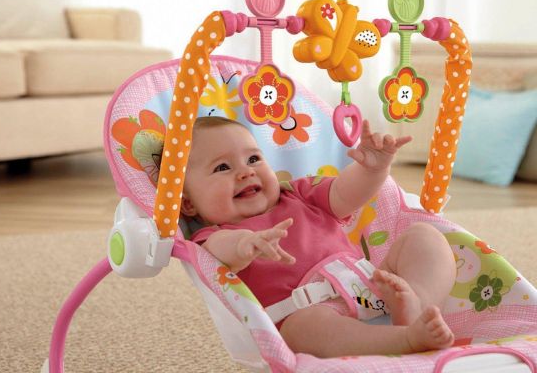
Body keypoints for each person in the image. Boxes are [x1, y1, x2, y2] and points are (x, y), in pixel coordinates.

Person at [181, 116, 456, 358]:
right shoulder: (212, 237)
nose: (246, 172)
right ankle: (406, 339)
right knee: (300, 330)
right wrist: (246, 244)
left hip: (374, 286)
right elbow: (220, 252)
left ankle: (417, 305)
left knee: (423, 236)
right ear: (189, 204)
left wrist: (373, 169)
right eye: (222, 168)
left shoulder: (299, 193)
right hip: (310, 314)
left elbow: (344, 194)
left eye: (253, 159)